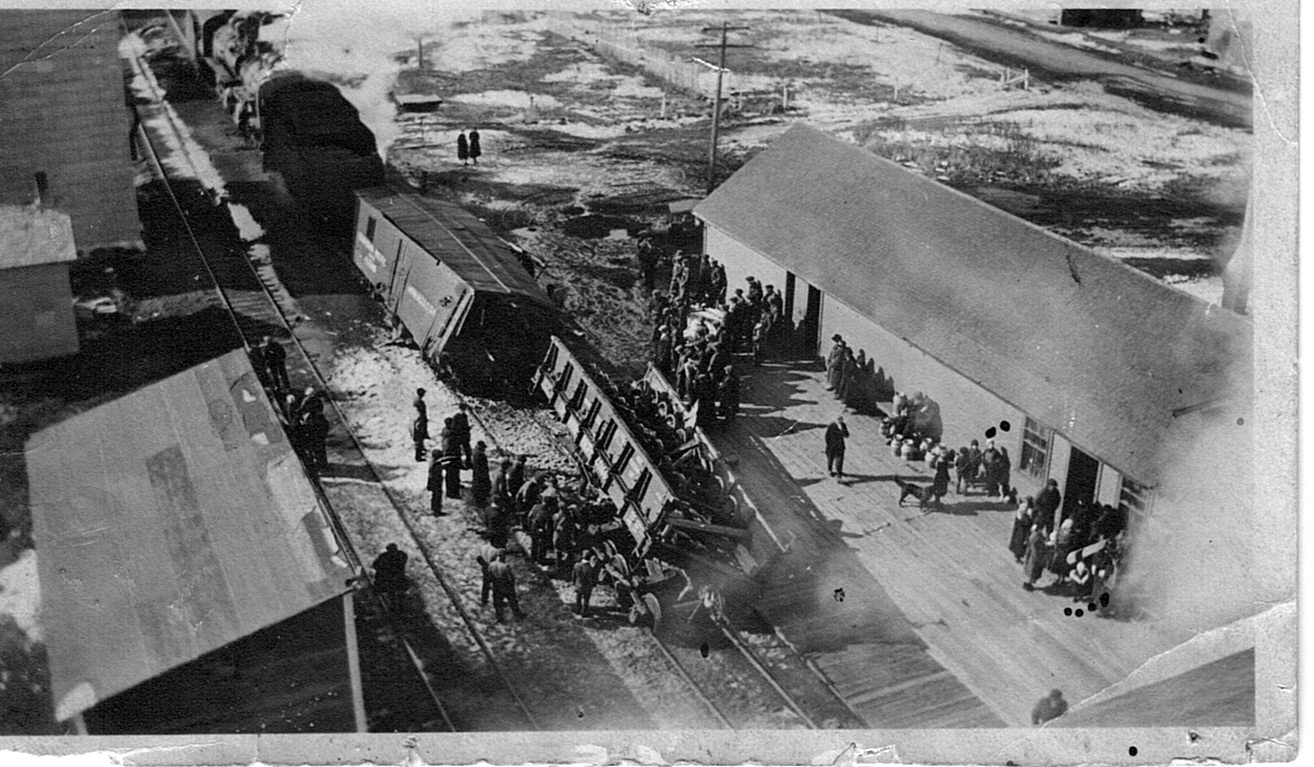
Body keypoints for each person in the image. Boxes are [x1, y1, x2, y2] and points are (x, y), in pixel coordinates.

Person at [488, 551, 524, 623]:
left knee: (498, 602)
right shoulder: (505, 566)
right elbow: (511, 577)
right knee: (513, 600)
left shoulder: (491, 564)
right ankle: (517, 614)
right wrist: (512, 586)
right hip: (506, 585)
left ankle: (500, 618)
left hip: (496, 585)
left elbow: (489, 575)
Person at [1022, 524, 1050, 591]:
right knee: (1032, 571)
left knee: (1031, 570)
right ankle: (1028, 584)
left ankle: (1028, 583)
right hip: (1035, 557)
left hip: (1032, 555)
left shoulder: (1034, 535)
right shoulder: (1036, 538)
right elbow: (1037, 548)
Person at [572, 552, 598, 617]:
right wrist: (593, 584)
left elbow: (573, 576)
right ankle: (584, 612)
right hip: (587, 586)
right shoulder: (590, 567)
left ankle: (578, 611)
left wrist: (574, 583)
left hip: (578, 585)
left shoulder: (576, 565)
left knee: (578, 598)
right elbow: (592, 578)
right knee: (586, 600)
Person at [1010, 497, 1035, 563]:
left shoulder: (1023, 507)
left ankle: (1019, 555)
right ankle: (1019, 556)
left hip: (1022, 525)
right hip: (1023, 526)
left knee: (1020, 540)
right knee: (1021, 541)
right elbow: (1023, 517)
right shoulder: (1027, 509)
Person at [824, 413, 850, 479]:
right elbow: (827, 436)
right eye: (838, 419)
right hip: (831, 447)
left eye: (841, 419)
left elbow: (847, 435)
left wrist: (843, 431)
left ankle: (839, 476)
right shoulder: (832, 426)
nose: (840, 421)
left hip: (840, 447)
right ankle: (829, 470)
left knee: (839, 461)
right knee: (830, 459)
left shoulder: (843, 425)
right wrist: (829, 444)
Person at [470, 441, 492, 508]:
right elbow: (483, 468)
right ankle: (481, 504)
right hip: (481, 476)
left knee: (478, 490)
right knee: (481, 491)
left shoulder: (475, 453)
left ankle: (478, 504)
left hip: (477, 476)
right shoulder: (480, 455)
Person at [427, 449, 446, 516]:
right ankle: (437, 510)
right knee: (437, 496)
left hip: (433, 482)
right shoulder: (437, 465)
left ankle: (434, 508)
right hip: (437, 482)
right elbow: (437, 474)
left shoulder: (433, 463)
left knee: (435, 495)